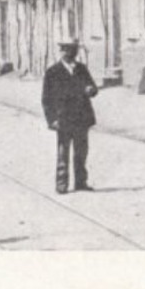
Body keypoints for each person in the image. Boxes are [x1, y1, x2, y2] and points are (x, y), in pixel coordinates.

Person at [41, 38, 99, 194]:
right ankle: (62, 184)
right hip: (63, 119)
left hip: (81, 117)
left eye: (74, 50)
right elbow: (46, 99)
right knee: (63, 152)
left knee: (81, 152)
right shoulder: (53, 72)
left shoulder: (81, 69)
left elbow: (93, 87)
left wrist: (91, 89)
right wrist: (51, 119)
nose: (71, 53)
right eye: (67, 49)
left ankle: (81, 182)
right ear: (62, 51)